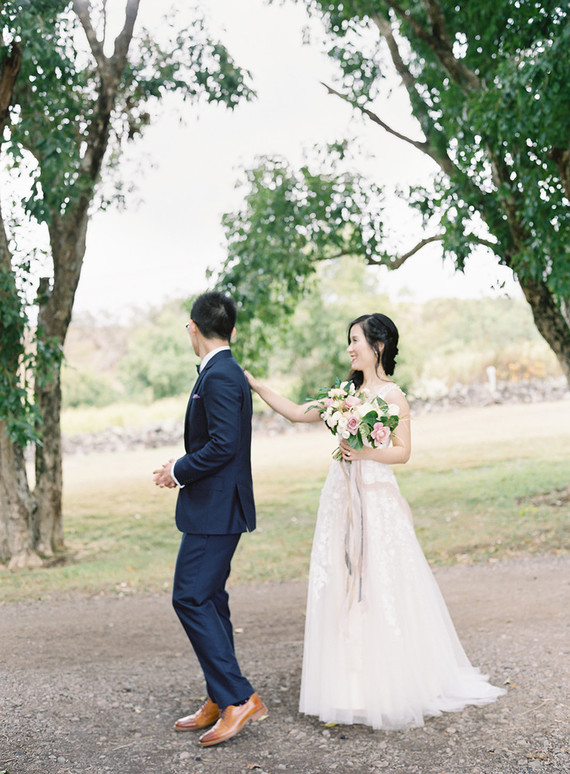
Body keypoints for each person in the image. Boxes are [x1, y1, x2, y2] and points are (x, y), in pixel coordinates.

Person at [245, 312, 504, 730]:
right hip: (341, 496)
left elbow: (403, 452)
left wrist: (363, 453)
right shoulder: (344, 394)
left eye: (356, 340)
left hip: (377, 497)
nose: (349, 348)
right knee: (342, 577)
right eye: (349, 340)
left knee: (380, 580)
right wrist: (257, 386)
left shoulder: (393, 396)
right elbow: (295, 412)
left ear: (378, 346)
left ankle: (389, 681)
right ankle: (349, 685)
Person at [153, 291, 266, 747]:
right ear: (231, 329)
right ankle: (220, 696)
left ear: (193, 328)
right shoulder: (223, 370)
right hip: (216, 507)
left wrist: (177, 470)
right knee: (211, 600)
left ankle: (239, 698)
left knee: (190, 597)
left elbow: (223, 445)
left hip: (216, 510)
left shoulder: (219, 375)